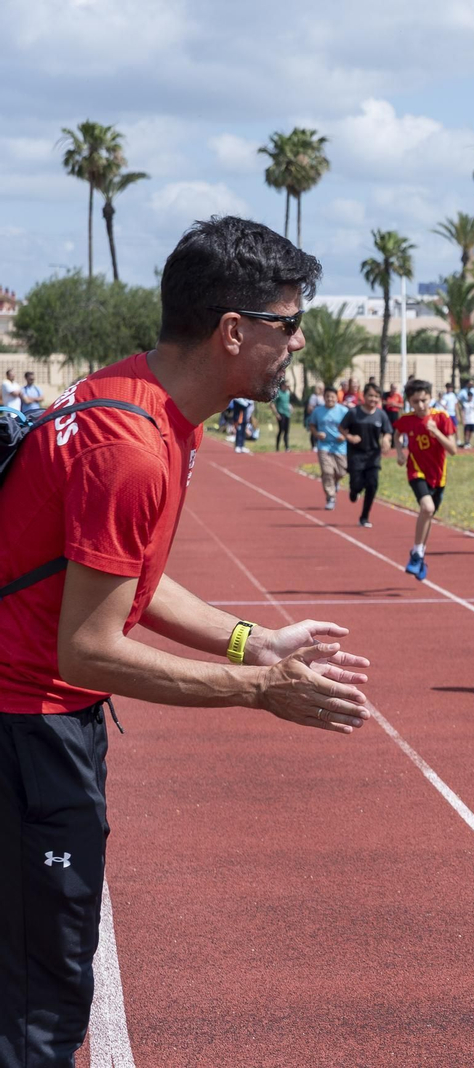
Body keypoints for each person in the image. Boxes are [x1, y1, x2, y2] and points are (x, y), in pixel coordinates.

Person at [0, 216, 374, 1066]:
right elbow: (87, 648)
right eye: (288, 323)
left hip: (36, 724)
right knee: (40, 1011)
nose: (299, 341)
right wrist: (260, 692)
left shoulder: (139, 400)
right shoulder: (132, 449)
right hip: (30, 732)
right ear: (233, 330)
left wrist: (253, 643)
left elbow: (126, 574)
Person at [392, 379, 458, 581]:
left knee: (429, 515)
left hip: (438, 476)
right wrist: (400, 452)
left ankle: (419, 554)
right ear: (409, 402)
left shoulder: (441, 418)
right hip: (416, 471)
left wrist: (436, 432)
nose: (421, 405)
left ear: (430, 398)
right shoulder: (407, 419)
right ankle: (417, 552)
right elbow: (397, 434)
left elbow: (453, 450)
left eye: (424, 400)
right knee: (427, 508)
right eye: (415, 402)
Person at [339, 383, 392, 528]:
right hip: (356, 454)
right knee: (357, 484)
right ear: (364, 395)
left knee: (372, 485)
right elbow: (341, 427)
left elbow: (388, 431)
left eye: (376, 396)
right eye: (370, 395)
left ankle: (364, 517)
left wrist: (386, 439)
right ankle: (354, 491)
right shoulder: (354, 413)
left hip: (373, 455)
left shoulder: (381, 415)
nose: (373, 399)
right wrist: (349, 437)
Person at [310, 385, 349, 504]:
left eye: (332, 397)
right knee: (327, 472)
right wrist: (317, 434)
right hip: (324, 445)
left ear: (337, 398)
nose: (330, 399)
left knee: (342, 472)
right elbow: (312, 425)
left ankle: (335, 482)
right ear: (324, 397)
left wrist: (344, 436)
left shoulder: (343, 411)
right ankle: (330, 496)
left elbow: (350, 427)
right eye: (327, 396)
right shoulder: (317, 411)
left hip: (340, 446)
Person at [271, 382, 292, 449]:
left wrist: (290, 407)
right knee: (281, 430)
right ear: (283, 385)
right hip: (281, 413)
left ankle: (287, 447)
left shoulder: (287, 393)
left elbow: (287, 403)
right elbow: (272, 404)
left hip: (287, 414)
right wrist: (276, 414)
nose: (287, 387)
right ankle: (277, 447)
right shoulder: (278, 393)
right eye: (286, 385)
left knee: (286, 431)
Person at [456, 379, 474, 447]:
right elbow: (458, 402)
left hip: (472, 419)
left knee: (471, 431)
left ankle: (469, 442)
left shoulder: (473, 403)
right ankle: (466, 442)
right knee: (466, 431)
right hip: (467, 418)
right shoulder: (465, 403)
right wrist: (462, 418)